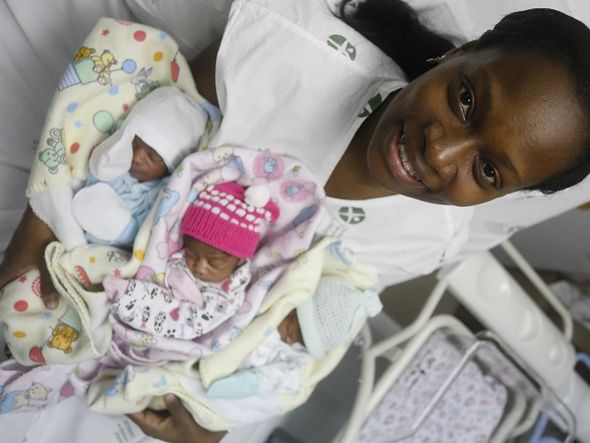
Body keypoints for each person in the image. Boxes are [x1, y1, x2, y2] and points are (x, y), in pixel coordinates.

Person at [3, 0, 590, 441]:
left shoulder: (431, 237)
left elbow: (309, 308)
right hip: (93, 239)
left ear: (501, 197)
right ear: (460, 53)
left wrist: (213, 423)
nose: (441, 154)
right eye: (465, 100)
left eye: (487, 171)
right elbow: (149, 107)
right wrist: (41, 222)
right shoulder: (285, 49)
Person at [106, 182, 279, 339]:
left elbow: (191, 324)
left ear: (240, 261)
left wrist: (132, 296)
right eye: (193, 254)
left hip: (168, 325)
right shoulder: (178, 254)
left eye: (214, 263)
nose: (200, 267)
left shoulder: (229, 295)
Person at [72, 86, 209, 249]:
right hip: (81, 239)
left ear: (170, 167)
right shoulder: (116, 167)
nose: (137, 157)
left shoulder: (163, 194)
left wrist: (127, 231)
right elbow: (96, 176)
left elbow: (148, 234)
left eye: (152, 157)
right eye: (134, 144)